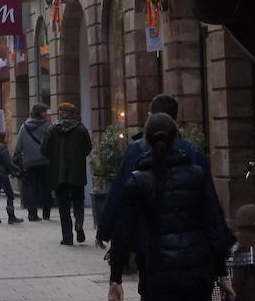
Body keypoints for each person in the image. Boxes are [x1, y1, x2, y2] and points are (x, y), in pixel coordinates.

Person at [107, 114, 236, 301]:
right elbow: (213, 223)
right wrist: (222, 273)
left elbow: (122, 231)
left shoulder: (138, 181)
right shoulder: (196, 175)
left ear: (146, 141)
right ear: (176, 139)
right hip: (197, 269)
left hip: (157, 271)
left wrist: (115, 279)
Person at [40, 102, 92, 246]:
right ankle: (79, 223)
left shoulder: (52, 129)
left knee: (63, 206)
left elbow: (44, 149)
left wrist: (54, 157)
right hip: (77, 173)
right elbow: (88, 148)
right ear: (73, 114)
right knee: (78, 201)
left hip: (58, 174)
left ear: (60, 113)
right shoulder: (81, 129)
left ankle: (67, 237)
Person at [14, 103, 52, 221]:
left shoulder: (24, 127)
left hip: (29, 162)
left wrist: (15, 158)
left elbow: (19, 144)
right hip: (44, 161)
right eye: (45, 111)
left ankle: (32, 214)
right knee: (46, 187)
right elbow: (52, 143)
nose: (46, 113)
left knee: (31, 188)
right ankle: (46, 213)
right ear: (40, 113)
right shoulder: (47, 127)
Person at [0, 130, 23, 224]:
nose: (8, 139)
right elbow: (8, 163)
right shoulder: (3, 149)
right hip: (2, 173)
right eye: (7, 137)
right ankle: (11, 217)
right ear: (3, 138)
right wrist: (19, 169)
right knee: (10, 195)